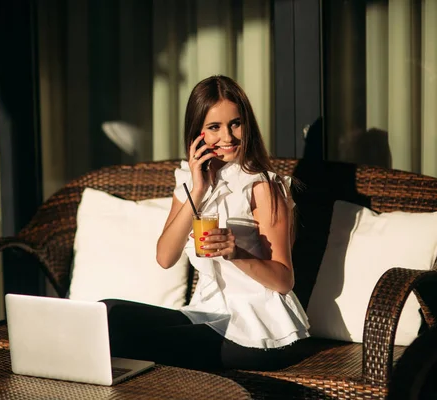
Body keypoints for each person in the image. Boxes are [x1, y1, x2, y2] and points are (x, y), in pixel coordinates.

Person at [102, 75, 310, 372]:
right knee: (109, 313)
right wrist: (198, 190)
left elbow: (283, 280)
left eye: (235, 123)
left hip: (259, 329)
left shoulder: (263, 185)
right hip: (207, 314)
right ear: (198, 133)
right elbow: (165, 257)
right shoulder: (190, 182)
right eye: (214, 127)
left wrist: (235, 252)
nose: (228, 137)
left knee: (140, 343)